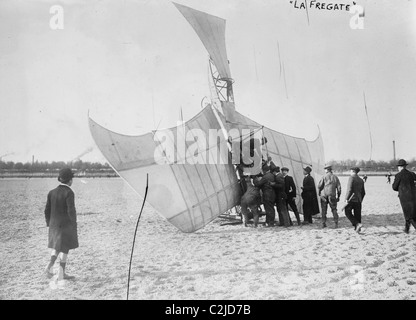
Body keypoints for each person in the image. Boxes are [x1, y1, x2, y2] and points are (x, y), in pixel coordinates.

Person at [44, 168, 79, 279]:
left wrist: (49, 223)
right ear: (69, 180)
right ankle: (61, 273)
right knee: (64, 249)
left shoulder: (51, 192)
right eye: (71, 179)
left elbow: (46, 210)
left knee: (56, 247)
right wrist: (73, 224)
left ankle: (48, 267)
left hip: (54, 225)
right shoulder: (69, 192)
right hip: (65, 226)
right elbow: (71, 211)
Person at [392, 159, 416, 234]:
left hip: (404, 198)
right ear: (405, 166)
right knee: (413, 213)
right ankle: (406, 229)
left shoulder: (398, 175)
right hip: (414, 196)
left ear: (400, 167)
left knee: (408, 215)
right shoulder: (412, 174)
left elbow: (394, 187)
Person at [344, 167, 366, 233]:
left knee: (347, 212)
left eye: (350, 171)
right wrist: (360, 199)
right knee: (357, 214)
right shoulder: (361, 180)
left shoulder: (351, 178)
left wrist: (346, 199)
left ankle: (357, 224)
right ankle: (357, 229)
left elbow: (349, 190)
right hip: (358, 200)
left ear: (353, 171)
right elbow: (363, 192)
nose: (350, 172)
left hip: (351, 199)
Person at [253, 163, 276, 227]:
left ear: (264, 170)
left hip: (267, 195)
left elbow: (258, 184)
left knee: (268, 209)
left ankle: (270, 223)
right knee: (271, 208)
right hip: (272, 194)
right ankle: (269, 222)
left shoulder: (265, 177)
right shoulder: (271, 175)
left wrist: (254, 177)